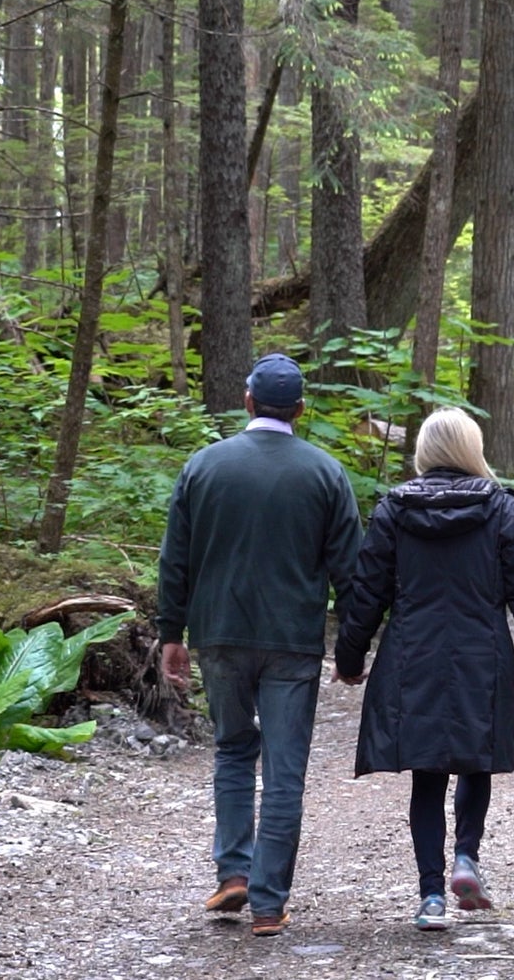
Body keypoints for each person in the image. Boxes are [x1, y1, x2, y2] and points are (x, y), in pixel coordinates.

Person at [334, 407, 514, 932]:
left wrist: (350, 658)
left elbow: (366, 592)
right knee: (475, 758)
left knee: (427, 772)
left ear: (425, 451)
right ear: (472, 449)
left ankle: (431, 897)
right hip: (482, 651)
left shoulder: (394, 509)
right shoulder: (503, 510)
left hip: (413, 653)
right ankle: (466, 857)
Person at [155, 353, 362, 937]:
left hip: (218, 633)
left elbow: (176, 560)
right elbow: (352, 571)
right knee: (286, 770)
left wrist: (171, 634)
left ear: (247, 401)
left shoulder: (203, 466)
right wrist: (353, 646)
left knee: (232, 750)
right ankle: (269, 903)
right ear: (299, 409)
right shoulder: (325, 473)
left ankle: (233, 873)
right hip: (292, 642)